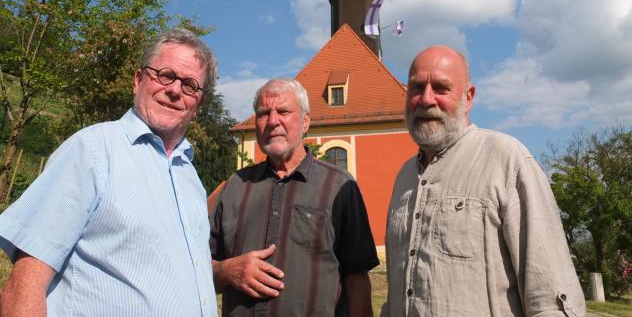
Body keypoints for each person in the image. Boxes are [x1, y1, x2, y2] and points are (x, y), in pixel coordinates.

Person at [0, 28, 218, 317]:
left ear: (198, 106)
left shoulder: (190, 178)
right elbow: (24, 285)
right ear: (138, 80)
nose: (175, 90)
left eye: (190, 85)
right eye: (165, 75)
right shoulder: (93, 150)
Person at [381, 46, 586, 317]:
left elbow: (549, 296)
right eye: (417, 88)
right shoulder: (404, 178)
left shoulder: (507, 160)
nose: (426, 99)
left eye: (441, 88)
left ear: (468, 97)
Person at [210, 78, 379, 316]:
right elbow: (199, 269)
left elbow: (357, 279)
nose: (272, 121)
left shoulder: (340, 186)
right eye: (263, 113)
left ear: (306, 121)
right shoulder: (236, 186)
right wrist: (226, 271)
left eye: (283, 111)